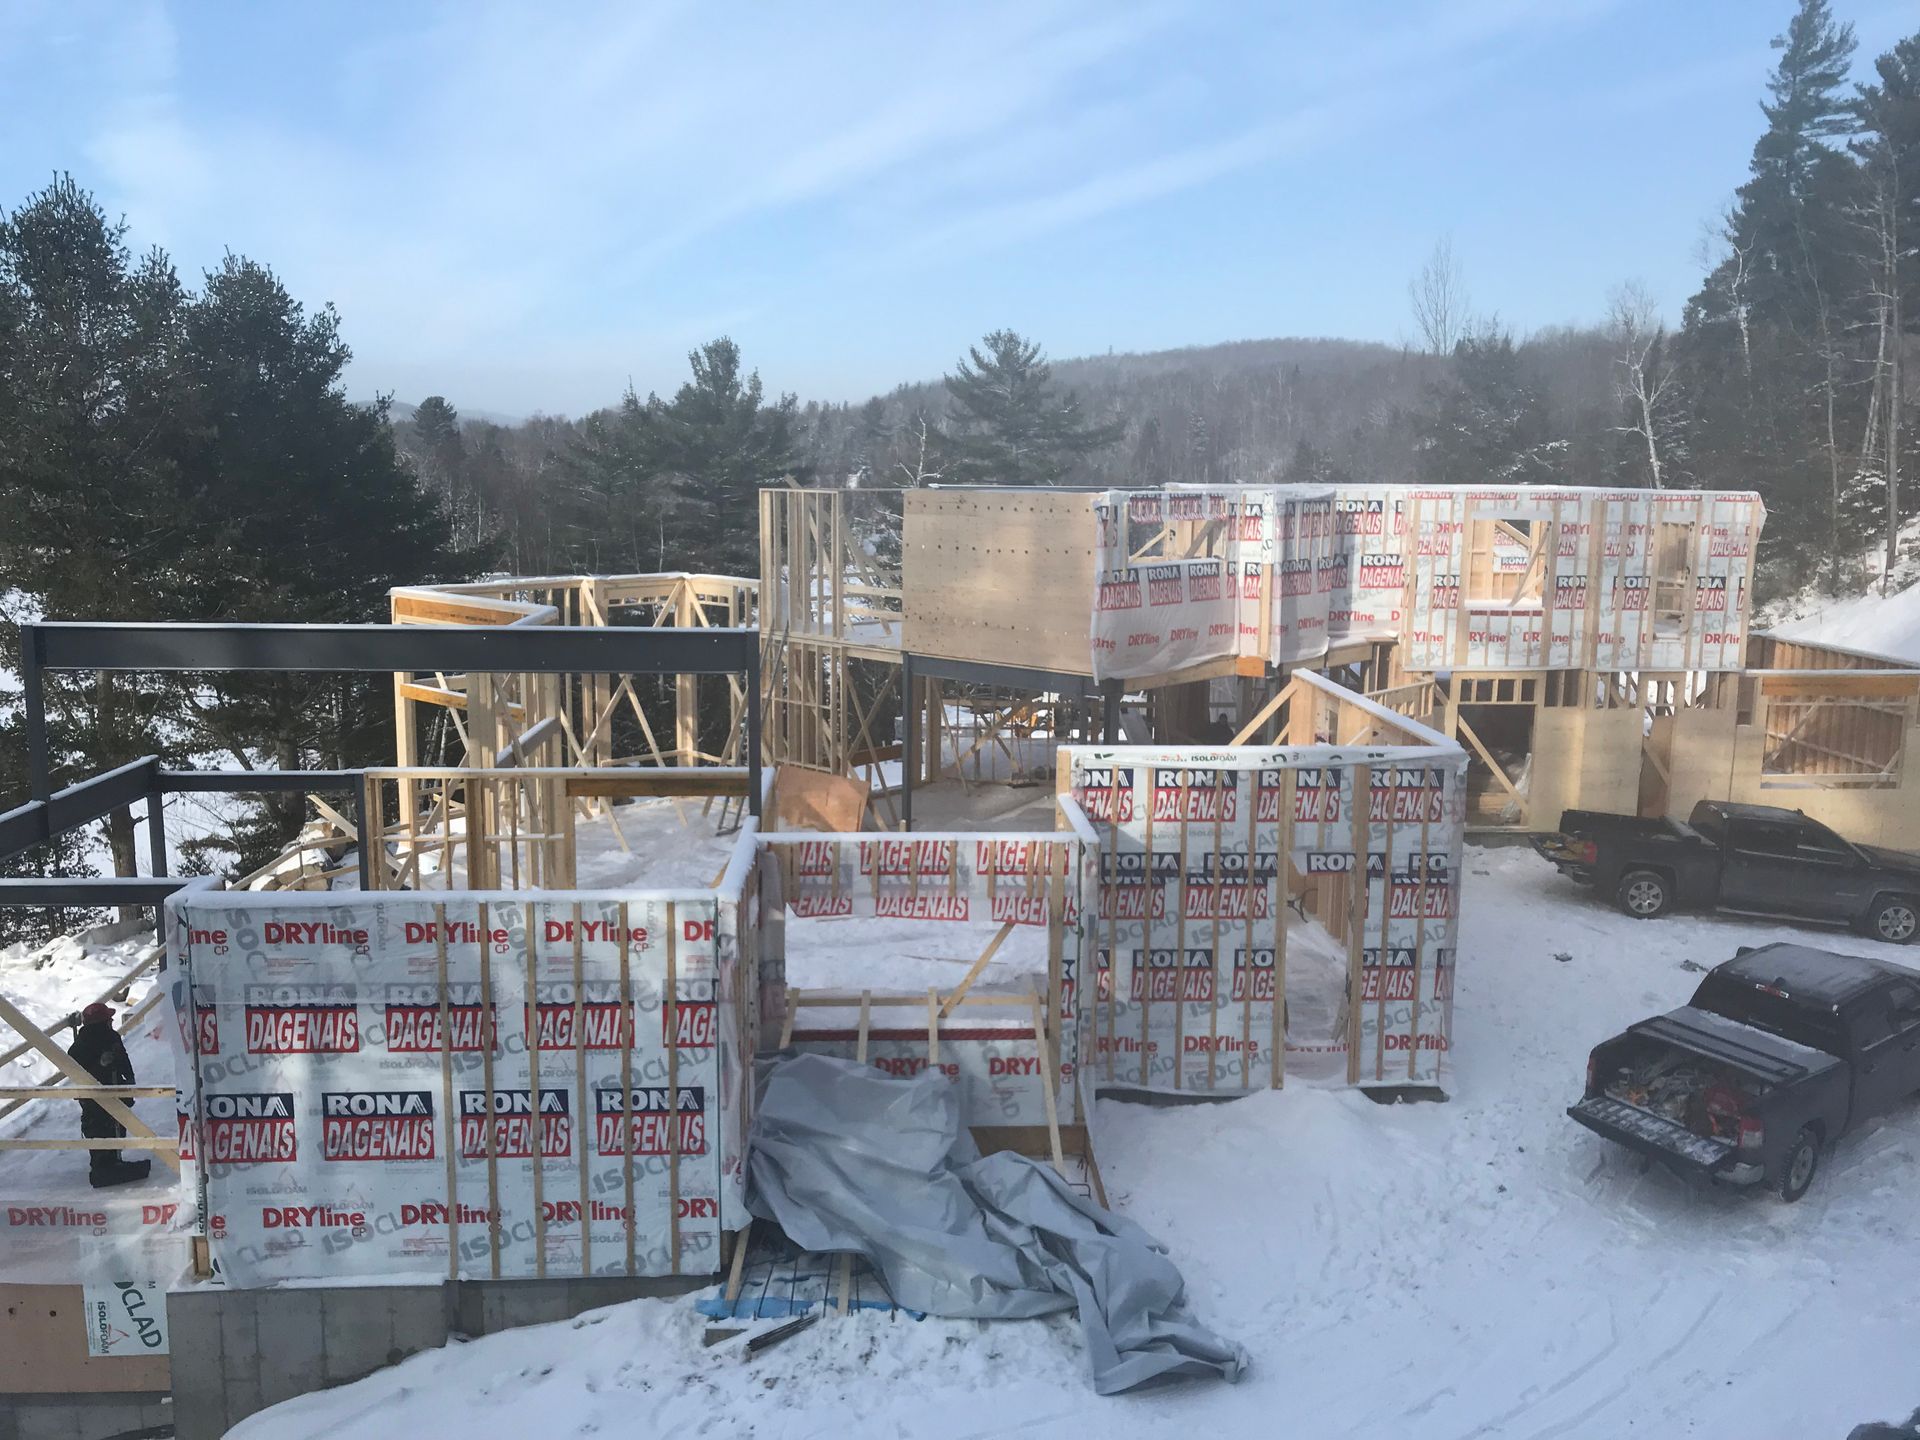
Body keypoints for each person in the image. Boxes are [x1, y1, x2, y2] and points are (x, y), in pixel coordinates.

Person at [66, 1003, 149, 1188]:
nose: (111, 1021)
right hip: (93, 1098)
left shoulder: (112, 1037)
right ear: (99, 1022)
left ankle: (114, 1162)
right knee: (99, 1129)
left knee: (117, 1126)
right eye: (107, 1019)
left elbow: (123, 1058)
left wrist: (129, 1079)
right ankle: (102, 1167)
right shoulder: (81, 1045)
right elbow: (75, 1070)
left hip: (115, 1089)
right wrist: (100, 1065)